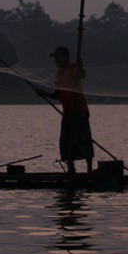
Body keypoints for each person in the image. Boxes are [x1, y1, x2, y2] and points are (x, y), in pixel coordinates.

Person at [45, 45, 94, 177]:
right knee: (66, 141)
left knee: (83, 139)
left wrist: (81, 66)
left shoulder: (73, 68)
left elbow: (82, 75)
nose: (56, 61)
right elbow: (57, 95)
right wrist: (44, 94)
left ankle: (89, 169)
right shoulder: (59, 74)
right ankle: (71, 169)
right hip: (67, 112)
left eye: (58, 58)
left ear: (65, 58)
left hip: (79, 111)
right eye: (55, 58)